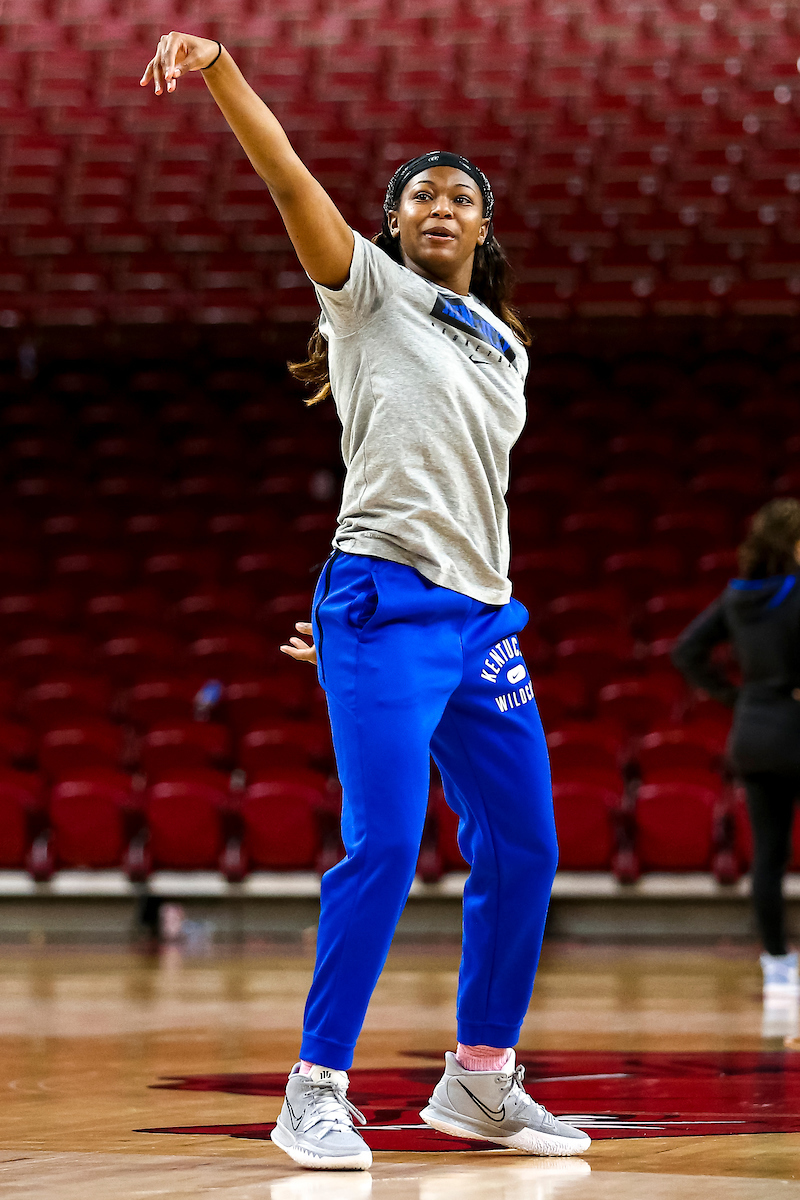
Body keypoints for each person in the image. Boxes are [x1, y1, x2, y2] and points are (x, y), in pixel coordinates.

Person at [141, 33, 591, 1171]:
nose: (439, 205)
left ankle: (479, 1079)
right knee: (385, 844)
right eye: (418, 195)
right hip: (384, 596)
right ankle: (315, 1088)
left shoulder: (506, 347)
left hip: (478, 619)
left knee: (527, 847)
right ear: (390, 224)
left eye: (460, 196)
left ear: (485, 229)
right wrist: (221, 69)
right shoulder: (368, 293)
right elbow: (288, 176)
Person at [672, 498, 800, 1001]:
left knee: (768, 857)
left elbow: (686, 651)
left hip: (755, 734)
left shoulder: (737, 597)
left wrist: (737, 697)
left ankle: (778, 966)